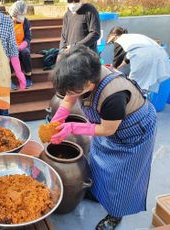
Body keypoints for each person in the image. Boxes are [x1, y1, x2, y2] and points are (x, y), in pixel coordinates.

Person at [51, 45, 157, 230]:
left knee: (123, 176)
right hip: (107, 124)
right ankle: (97, 192)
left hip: (134, 131)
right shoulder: (81, 74)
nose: (70, 93)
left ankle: (115, 215)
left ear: (89, 83)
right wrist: (55, 122)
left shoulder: (113, 95)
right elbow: (68, 99)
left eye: (73, 89)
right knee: (99, 162)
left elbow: (107, 129)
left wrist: (72, 127)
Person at [107, 26, 170, 93]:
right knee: (151, 84)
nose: (114, 43)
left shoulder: (120, 40)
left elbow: (117, 58)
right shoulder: (132, 38)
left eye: (112, 41)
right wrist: (118, 67)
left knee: (134, 85)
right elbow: (128, 58)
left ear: (115, 36)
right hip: (160, 56)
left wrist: (112, 68)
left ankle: (137, 101)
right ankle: (148, 100)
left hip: (144, 58)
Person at [9, 0, 33, 88]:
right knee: (8, 54)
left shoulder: (26, 22)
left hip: (22, 45)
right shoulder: (7, 22)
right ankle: (9, 79)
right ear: (14, 15)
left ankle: (28, 77)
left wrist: (20, 47)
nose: (22, 17)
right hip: (10, 46)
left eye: (23, 14)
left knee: (25, 53)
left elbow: (28, 38)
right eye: (20, 15)